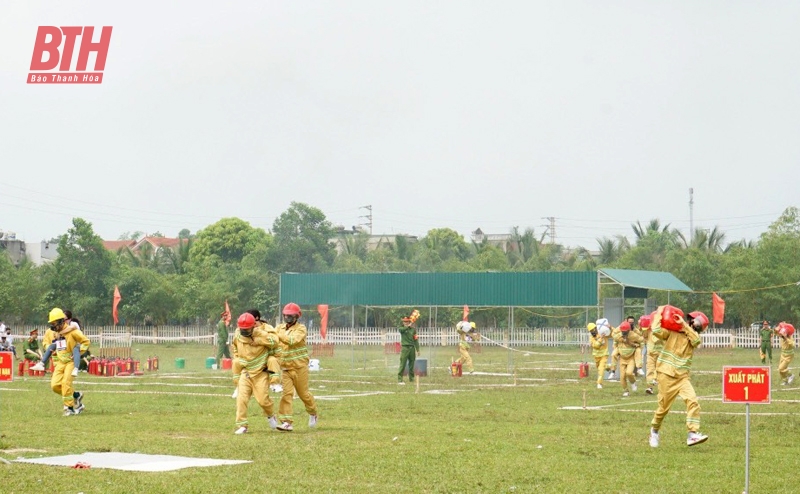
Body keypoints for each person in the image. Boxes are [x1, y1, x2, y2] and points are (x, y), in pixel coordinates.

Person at [648, 309, 709, 448]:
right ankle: (654, 431)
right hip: (665, 374)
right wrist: (660, 313)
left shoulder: (692, 336)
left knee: (693, 402)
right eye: (695, 321)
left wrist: (684, 326)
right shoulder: (672, 332)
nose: (696, 324)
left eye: (699, 323)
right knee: (663, 408)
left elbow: (696, 340)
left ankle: (692, 433)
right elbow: (656, 330)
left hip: (682, 378)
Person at [231, 312, 281, 434]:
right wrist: (238, 360)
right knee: (241, 399)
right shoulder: (238, 334)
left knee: (263, 400)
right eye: (242, 329)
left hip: (260, 373)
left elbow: (275, 341)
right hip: (246, 372)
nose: (244, 332)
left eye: (246, 329)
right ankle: (242, 425)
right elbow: (235, 348)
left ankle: (270, 415)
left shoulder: (261, 334)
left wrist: (259, 340)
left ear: (253, 326)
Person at [275, 303, 318, 432]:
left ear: (297, 316)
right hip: (286, 368)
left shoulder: (301, 329)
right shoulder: (279, 328)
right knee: (286, 394)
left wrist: (277, 335)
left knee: (303, 394)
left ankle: (313, 412)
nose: (287, 318)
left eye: (290, 316)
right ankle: (287, 422)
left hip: (300, 367)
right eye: (286, 316)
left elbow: (292, 340)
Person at [45, 308, 89, 416]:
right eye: (51, 324)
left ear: (61, 321)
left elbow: (86, 341)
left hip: (71, 362)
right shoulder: (55, 333)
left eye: (54, 323)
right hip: (61, 363)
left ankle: (69, 408)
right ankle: (76, 396)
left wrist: (79, 351)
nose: (53, 326)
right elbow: (50, 344)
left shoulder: (73, 331)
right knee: (55, 386)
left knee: (65, 383)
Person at [32, 310, 83, 376]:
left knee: (75, 350)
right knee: (52, 346)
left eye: (64, 319)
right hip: (63, 349)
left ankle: (76, 369)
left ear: (69, 319)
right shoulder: (58, 328)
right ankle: (41, 363)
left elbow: (72, 328)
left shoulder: (72, 324)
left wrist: (60, 333)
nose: (63, 321)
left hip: (74, 344)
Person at [247, 309, 283, 393]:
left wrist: (259, 341)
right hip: (254, 359)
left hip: (268, 358)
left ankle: (275, 384)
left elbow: (274, 341)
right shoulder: (247, 329)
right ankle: (240, 386)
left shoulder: (268, 328)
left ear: (257, 318)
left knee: (272, 360)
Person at [613, 321, 643, 397]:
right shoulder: (619, 335)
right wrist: (622, 340)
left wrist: (637, 346)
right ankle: (626, 390)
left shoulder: (633, 335)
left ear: (629, 330)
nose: (624, 333)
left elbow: (641, 340)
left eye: (625, 332)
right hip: (622, 358)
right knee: (622, 377)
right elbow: (614, 336)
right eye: (622, 331)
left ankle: (633, 382)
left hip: (630, 358)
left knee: (629, 373)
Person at [640, 314, 662, 395]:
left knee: (659, 370)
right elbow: (644, 336)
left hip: (661, 354)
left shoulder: (661, 329)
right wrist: (642, 326)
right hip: (651, 353)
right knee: (649, 370)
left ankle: (659, 385)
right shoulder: (648, 330)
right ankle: (649, 387)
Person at [397, 312, 420, 385]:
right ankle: (400, 379)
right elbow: (402, 330)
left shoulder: (413, 330)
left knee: (411, 364)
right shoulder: (401, 328)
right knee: (402, 364)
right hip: (405, 348)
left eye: (407, 321)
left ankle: (411, 378)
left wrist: (418, 349)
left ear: (409, 321)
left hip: (412, 348)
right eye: (404, 321)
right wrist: (407, 326)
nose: (405, 323)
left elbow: (416, 340)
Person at [588, 322, 610, 389]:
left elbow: (612, 334)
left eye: (593, 329)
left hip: (604, 354)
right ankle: (610, 368)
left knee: (601, 369)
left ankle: (599, 383)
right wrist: (600, 339)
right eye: (591, 331)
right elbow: (595, 345)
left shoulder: (603, 332)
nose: (593, 331)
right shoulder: (591, 337)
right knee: (599, 367)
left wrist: (610, 327)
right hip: (596, 355)